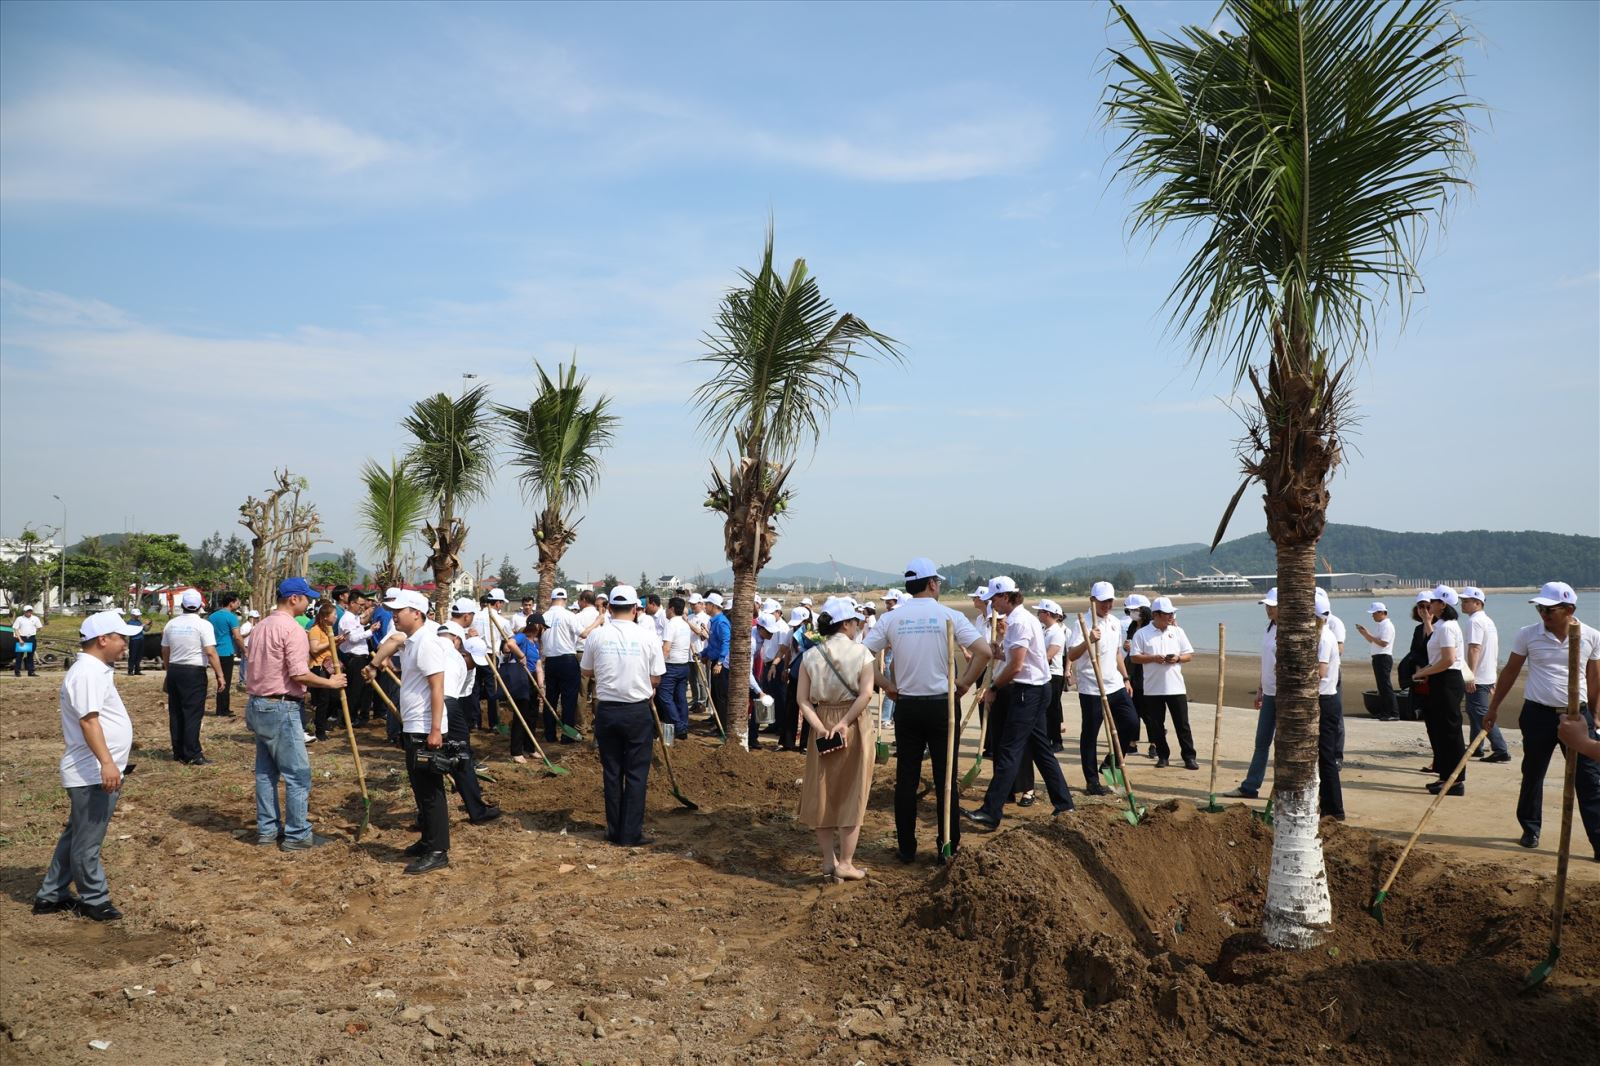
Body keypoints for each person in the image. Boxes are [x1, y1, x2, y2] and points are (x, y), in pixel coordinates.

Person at [866, 558, 990, 863]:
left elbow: (862, 655)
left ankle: (906, 847)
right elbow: (984, 652)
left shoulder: (892, 618)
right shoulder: (949, 615)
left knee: (906, 778)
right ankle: (948, 845)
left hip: (907, 705)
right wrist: (964, 683)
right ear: (932, 584)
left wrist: (886, 685)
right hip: (942, 706)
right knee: (946, 777)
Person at [32, 610, 144, 921]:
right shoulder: (87, 673)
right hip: (90, 772)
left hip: (93, 770)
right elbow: (88, 721)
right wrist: (107, 763)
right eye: (121, 638)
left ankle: (51, 894)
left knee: (77, 834)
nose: (125, 645)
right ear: (103, 639)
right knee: (87, 841)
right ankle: (95, 899)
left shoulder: (95, 671)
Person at [1485, 581, 1600, 857]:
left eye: (1550, 609)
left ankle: (1598, 840)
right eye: (1540, 609)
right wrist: (1493, 707)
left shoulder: (1591, 636)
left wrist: (1596, 714)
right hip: (1538, 714)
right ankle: (1530, 828)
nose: (1543, 614)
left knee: (1589, 778)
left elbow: (1595, 676)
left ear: (1569, 609)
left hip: (1577, 716)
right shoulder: (1528, 634)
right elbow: (1511, 671)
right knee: (1533, 772)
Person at [962, 576, 1075, 829]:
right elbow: (1019, 658)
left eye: (994, 599)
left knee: (1009, 750)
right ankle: (1064, 803)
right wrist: (1000, 652)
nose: (992, 604)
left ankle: (991, 811)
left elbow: (1016, 666)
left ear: (1006, 597)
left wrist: (993, 688)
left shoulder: (1019, 622)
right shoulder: (1021, 620)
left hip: (1029, 691)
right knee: (1041, 750)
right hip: (1035, 689)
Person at [244, 578, 346, 851]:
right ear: (294, 599)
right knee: (297, 774)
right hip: (281, 706)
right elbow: (299, 674)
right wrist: (330, 683)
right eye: (306, 598)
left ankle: (267, 831)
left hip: (258, 704)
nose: (309, 603)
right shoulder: (293, 630)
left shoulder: (260, 626)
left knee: (266, 772)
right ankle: (297, 834)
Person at [368, 588, 451, 874]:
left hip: (426, 727)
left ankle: (438, 850)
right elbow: (393, 642)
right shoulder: (412, 639)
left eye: (399, 611)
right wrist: (374, 665)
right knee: (420, 788)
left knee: (431, 792)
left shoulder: (427, 643)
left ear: (416, 613)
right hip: (414, 724)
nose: (394, 616)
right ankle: (428, 840)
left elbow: (437, 688)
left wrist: (435, 730)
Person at [797, 597, 878, 880]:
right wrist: (844, 723)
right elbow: (866, 694)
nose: (857, 626)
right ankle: (846, 862)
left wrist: (820, 727)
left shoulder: (810, 655)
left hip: (821, 720)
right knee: (853, 791)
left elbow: (802, 700)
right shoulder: (862, 653)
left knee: (822, 791)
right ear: (846, 624)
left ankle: (828, 860)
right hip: (853, 722)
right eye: (855, 621)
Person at [581, 585, 665, 847]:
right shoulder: (648, 637)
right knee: (637, 773)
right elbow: (656, 677)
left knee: (612, 772)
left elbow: (586, 671)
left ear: (608, 608)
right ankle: (630, 833)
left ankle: (614, 829)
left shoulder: (597, 636)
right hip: (636, 710)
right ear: (635, 609)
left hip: (607, 710)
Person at [1066, 582, 1139, 794]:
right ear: (1093, 600)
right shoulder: (1082, 623)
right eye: (1103, 601)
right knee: (1090, 733)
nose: (1107, 605)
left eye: (1110, 601)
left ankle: (1110, 763)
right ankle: (1092, 781)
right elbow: (1072, 655)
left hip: (1114, 684)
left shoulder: (1114, 622)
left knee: (1131, 723)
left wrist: (1125, 678)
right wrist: (1089, 640)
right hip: (1092, 687)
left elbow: (1117, 653)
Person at [437, 627, 502, 825]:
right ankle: (477, 811)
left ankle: (427, 818)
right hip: (445, 704)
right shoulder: (455, 660)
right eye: (473, 660)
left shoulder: (454, 660)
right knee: (462, 755)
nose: (474, 666)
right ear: (464, 653)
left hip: (438, 704)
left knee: (435, 758)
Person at [1410, 585, 1470, 795]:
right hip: (1440, 679)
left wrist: (1422, 672)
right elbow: (1436, 655)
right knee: (1441, 731)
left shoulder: (1447, 627)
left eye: (1433, 602)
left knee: (1450, 731)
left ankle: (1455, 780)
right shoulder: (1441, 625)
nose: (1429, 606)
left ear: (1442, 605)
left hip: (1447, 680)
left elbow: (1448, 660)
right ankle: (1445, 776)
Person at [1127, 597, 1197, 770]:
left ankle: (1189, 757)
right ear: (1156, 615)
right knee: (1156, 725)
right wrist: (1153, 658)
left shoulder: (1177, 631)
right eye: (1168, 614)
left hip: (1176, 687)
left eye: (1172, 613)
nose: (1171, 617)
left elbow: (1188, 655)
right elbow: (1134, 657)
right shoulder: (1142, 634)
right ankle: (1163, 756)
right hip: (1152, 688)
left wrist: (1177, 658)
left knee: (1182, 724)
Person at [160, 589, 224, 765]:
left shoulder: (171, 624)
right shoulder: (203, 625)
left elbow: (165, 650)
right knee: (192, 713)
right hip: (193, 672)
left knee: (176, 712)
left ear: (182, 605)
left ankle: (178, 751)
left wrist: (168, 671)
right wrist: (220, 675)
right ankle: (193, 753)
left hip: (175, 669)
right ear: (200, 606)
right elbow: (210, 652)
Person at [1227, 588, 1280, 799]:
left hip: (1285, 695)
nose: (1268, 609)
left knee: (1285, 744)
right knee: (1261, 741)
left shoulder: (1289, 629)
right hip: (1269, 693)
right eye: (1267, 606)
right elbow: (1266, 663)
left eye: (1272, 606)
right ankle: (1250, 786)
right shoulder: (1269, 628)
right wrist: (1260, 689)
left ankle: (1284, 789)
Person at [1459, 586, 1510, 763]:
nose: (1462, 604)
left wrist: (1470, 675)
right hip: (1486, 674)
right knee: (1474, 711)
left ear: (1478, 603)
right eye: (1462, 601)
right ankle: (1476, 747)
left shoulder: (1474, 621)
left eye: (1466, 601)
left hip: (1479, 676)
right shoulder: (1488, 621)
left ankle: (1501, 749)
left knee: (1480, 712)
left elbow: (1475, 648)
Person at [1314, 596, 1346, 820]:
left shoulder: (1325, 638)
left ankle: (1334, 808)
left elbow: (1320, 671)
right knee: (1321, 756)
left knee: (1326, 757)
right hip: (1323, 698)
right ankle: (1325, 803)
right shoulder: (1321, 635)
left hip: (1325, 700)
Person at [541, 588, 584, 742]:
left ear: (552, 599)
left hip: (551, 661)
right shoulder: (569, 616)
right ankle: (567, 736)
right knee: (569, 700)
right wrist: (597, 622)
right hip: (567, 660)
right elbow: (583, 634)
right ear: (565, 600)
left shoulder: (544, 616)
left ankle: (550, 734)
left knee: (550, 698)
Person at [502, 617, 546, 762]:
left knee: (532, 715)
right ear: (537, 626)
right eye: (543, 627)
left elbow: (538, 666)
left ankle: (530, 748)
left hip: (533, 679)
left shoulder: (536, 643)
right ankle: (516, 751)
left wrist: (541, 686)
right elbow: (509, 644)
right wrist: (521, 655)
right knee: (521, 715)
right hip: (521, 678)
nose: (544, 630)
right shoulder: (522, 637)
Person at [1355, 601, 1400, 721]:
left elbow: (1384, 643)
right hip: (1378, 657)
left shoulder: (1387, 625)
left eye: (1374, 613)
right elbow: (1374, 641)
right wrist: (1365, 634)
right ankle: (1385, 711)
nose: (1372, 616)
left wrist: (1367, 634)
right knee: (1381, 686)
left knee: (1385, 686)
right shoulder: (1381, 625)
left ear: (1381, 613)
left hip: (1383, 657)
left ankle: (1393, 713)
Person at [659, 597, 694, 743]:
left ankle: (679, 726)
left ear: (672, 609)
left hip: (671, 666)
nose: (666, 611)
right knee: (680, 698)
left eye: (667, 608)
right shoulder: (685, 624)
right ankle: (683, 726)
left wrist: (658, 665)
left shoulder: (671, 624)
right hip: (683, 665)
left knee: (664, 696)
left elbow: (666, 649)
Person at [336, 593, 373, 725]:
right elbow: (352, 638)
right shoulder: (347, 619)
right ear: (352, 603)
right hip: (354, 658)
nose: (362, 607)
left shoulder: (355, 618)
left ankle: (355, 717)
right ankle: (348, 719)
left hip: (361, 656)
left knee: (363, 689)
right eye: (360, 605)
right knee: (354, 691)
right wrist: (370, 631)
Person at [306, 601, 340, 742]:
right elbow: (314, 649)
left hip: (329, 666)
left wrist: (338, 641)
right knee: (323, 699)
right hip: (319, 666)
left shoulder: (328, 630)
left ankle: (320, 721)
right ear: (326, 617)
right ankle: (320, 729)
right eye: (334, 614)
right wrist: (332, 641)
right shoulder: (315, 630)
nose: (336, 617)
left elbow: (329, 648)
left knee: (334, 698)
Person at [701, 592, 733, 740]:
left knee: (721, 697)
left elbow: (726, 642)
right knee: (715, 695)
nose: (705, 607)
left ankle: (723, 728)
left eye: (707, 604)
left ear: (713, 606)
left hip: (721, 665)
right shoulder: (713, 621)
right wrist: (703, 653)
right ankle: (718, 724)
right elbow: (713, 644)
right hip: (714, 661)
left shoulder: (721, 622)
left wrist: (720, 662)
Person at [1122, 594, 1151, 749]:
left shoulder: (1151, 627)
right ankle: (1132, 741)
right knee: (1133, 706)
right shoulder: (1132, 626)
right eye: (1130, 610)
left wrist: (1133, 648)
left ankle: (1154, 742)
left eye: (1135, 610)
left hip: (1145, 670)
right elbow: (1128, 645)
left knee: (1148, 710)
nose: (1132, 613)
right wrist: (1127, 647)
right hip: (1132, 668)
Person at [1037, 600, 1067, 752]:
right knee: (1045, 709)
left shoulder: (1057, 632)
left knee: (1053, 708)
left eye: (1039, 612)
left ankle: (1057, 741)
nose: (1038, 614)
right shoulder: (1045, 630)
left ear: (1047, 614)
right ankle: (1047, 738)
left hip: (1054, 674)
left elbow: (1049, 655)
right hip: (1044, 674)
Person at [209, 593, 243, 717]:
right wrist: (244, 650)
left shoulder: (212, 616)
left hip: (214, 651)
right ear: (231, 603)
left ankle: (221, 708)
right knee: (225, 681)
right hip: (226, 652)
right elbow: (237, 636)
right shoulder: (231, 617)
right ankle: (223, 709)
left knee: (220, 679)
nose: (238, 604)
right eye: (237, 602)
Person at [12, 604, 41, 677]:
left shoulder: (35, 618)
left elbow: (39, 627)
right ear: (24, 612)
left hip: (31, 638)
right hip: (22, 638)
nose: (29, 612)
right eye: (27, 611)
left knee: (30, 656)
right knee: (19, 656)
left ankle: (31, 671)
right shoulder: (19, 619)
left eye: (30, 611)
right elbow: (15, 629)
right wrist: (20, 639)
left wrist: (33, 631)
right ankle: (17, 671)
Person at [237, 608, 259, 691]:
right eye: (255, 618)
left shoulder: (256, 625)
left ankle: (249, 679)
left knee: (251, 664)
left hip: (254, 646)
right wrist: (249, 632)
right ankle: (243, 680)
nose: (256, 619)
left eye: (257, 618)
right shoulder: (245, 626)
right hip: (246, 646)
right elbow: (240, 636)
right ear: (250, 617)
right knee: (244, 663)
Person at [126, 608, 147, 676]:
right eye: (136, 615)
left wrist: (148, 624)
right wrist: (142, 625)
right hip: (134, 640)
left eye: (138, 615)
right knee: (133, 655)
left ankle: (137, 670)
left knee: (139, 656)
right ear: (132, 615)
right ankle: (130, 670)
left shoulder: (139, 621)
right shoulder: (130, 622)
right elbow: (134, 629)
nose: (138, 616)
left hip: (141, 639)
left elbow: (145, 629)